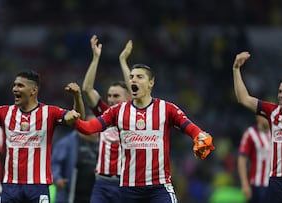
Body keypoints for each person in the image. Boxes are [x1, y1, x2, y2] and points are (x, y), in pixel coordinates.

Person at [65, 64, 215, 202]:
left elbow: (188, 126)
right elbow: (89, 127)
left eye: (139, 77)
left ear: (151, 83)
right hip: (129, 189)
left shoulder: (166, 108)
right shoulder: (117, 111)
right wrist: (75, 121)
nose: (133, 80)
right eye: (131, 77)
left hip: (159, 186)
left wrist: (199, 135)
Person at [0, 70, 85, 203]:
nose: (14, 89)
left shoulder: (49, 113)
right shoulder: (4, 113)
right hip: (10, 186)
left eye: (20, 85)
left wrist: (77, 97)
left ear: (33, 90)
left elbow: (79, 121)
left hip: (38, 185)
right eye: (14, 85)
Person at [233, 51, 282, 203]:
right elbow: (243, 99)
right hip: (276, 182)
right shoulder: (272, 112)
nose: (281, 95)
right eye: (280, 92)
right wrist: (236, 69)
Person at [82, 35, 131, 203]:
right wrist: (95, 58)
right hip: (102, 183)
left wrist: (123, 61)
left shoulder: (133, 115)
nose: (110, 99)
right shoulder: (104, 114)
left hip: (125, 183)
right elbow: (87, 89)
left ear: (127, 98)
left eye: (116, 96)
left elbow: (134, 90)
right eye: (109, 95)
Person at [51, 114, 98, 203]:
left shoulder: (99, 144)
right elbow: (55, 163)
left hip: (92, 194)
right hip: (71, 194)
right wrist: (57, 178)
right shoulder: (67, 143)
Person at [237, 115, 271, 203]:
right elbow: (242, 160)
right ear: (258, 116)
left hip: (276, 185)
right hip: (258, 184)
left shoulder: (277, 133)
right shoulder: (250, 134)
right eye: (266, 114)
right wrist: (244, 183)